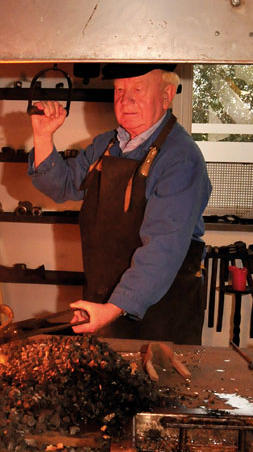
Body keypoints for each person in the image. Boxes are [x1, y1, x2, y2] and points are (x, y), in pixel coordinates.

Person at [28, 64, 212, 345]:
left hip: (160, 314)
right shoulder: (107, 145)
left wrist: (113, 309)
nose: (125, 101)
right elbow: (62, 186)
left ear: (167, 95)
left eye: (137, 89)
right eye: (119, 90)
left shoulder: (181, 158)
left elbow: (163, 248)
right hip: (104, 301)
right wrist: (43, 136)